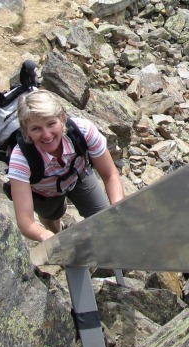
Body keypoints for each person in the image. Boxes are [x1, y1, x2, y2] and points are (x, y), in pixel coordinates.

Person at [8, 90, 124, 242]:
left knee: (102, 218)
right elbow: (25, 222)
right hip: (44, 193)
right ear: (26, 131)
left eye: (51, 124)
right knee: (51, 218)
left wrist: (117, 209)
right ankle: (58, 230)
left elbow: (110, 175)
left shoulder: (83, 131)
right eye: (36, 129)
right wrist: (52, 239)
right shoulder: (20, 160)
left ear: (62, 118)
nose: (47, 135)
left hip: (77, 175)